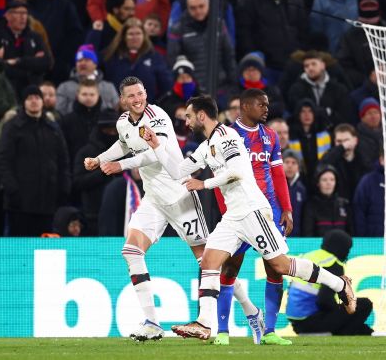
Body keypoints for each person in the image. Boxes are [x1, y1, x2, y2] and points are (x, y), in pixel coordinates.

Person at [140, 95, 356, 341]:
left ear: (201, 115)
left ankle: (340, 284)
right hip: (233, 215)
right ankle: (204, 323)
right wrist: (156, 145)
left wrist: (204, 183)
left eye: (189, 116)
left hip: (252, 210)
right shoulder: (205, 147)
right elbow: (177, 171)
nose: (186, 121)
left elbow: (238, 172)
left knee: (281, 266)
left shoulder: (228, 137)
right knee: (210, 262)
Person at [83, 76, 210, 341]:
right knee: (131, 251)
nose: (138, 99)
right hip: (153, 199)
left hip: (179, 196)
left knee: (209, 261)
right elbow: (124, 143)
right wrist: (100, 159)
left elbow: (155, 153)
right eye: (131, 96)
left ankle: (249, 309)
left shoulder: (158, 116)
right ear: (122, 100)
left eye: (140, 93)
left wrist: (120, 166)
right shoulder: (122, 123)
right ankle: (152, 322)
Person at [213, 89, 294, 346]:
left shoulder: (270, 136)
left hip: (268, 211)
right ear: (244, 106)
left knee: (275, 268)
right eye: (261, 104)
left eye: (267, 104)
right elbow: (218, 180)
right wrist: (227, 212)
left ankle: (269, 331)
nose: (266, 108)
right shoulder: (225, 136)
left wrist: (287, 209)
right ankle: (223, 332)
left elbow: (278, 175)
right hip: (238, 211)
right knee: (229, 267)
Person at [0, 85, 71, 236]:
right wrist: (12, 190)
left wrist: (64, 187)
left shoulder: (53, 128)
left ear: (42, 102)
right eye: (29, 98)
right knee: (19, 250)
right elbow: (4, 161)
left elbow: (63, 160)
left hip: (48, 202)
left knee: (45, 250)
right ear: (23, 102)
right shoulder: (12, 128)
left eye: (37, 98)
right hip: (19, 203)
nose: (34, 101)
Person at [287, 229, 373, 335]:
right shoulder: (332, 264)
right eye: (347, 249)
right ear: (341, 247)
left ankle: (353, 329)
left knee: (360, 326)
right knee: (364, 304)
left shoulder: (308, 257)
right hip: (313, 320)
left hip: (296, 324)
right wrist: (342, 313)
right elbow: (324, 300)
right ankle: (344, 332)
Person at [167, 0, 236, 90]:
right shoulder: (178, 29)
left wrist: (233, 82)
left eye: (201, 6)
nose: (198, 11)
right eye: (193, 8)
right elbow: (173, 58)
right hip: (193, 89)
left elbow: (228, 55)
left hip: (220, 86)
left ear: (208, 5)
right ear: (187, 8)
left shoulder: (219, 24)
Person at [73, 109, 120, 236]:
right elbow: (78, 182)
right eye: (107, 130)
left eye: (114, 130)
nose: (111, 133)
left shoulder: (126, 152)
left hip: (123, 214)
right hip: (93, 215)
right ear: (99, 129)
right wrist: (103, 172)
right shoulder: (86, 153)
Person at [102, 18, 172, 103]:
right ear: (124, 37)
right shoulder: (110, 56)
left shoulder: (155, 57)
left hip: (147, 110)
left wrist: (154, 104)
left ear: (144, 36)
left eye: (138, 33)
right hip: (116, 109)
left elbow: (166, 86)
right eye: (131, 34)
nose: (135, 37)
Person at [0, 0, 52, 95]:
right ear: (8, 16)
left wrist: (18, 61)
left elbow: (46, 62)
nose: (23, 17)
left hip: (32, 89)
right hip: (7, 90)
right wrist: (32, 63)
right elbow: (0, 66)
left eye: (25, 13)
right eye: (19, 13)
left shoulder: (35, 37)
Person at [287, 51, 355, 130]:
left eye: (313, 64)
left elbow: (344, 115)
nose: (310, 68)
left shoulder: (339, 89)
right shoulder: (296, 89)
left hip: (333, 131)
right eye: (306, 66)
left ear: (323, 65)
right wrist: (327, 112)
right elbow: (297, 114)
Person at [56, 44, 119, 116]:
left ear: (95, 64)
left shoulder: (108, 87)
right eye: (79, 61)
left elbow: (116, 109)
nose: (82, 63)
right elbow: (59, 112)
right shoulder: (64, 87)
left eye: (87, 60)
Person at [320, 123, 372, 201]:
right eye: (339, 141)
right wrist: (341, 148)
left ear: (355, 140)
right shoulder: (332, 157)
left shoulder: (363, 158)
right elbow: (323, 163)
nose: (344, 145)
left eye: (346, 141)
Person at [59, 79, 103, 166]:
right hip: (74, 166)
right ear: (77, 96)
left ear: (98, 95)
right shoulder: (67, 120)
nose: (88, 97)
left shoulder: (105, 120)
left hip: (101, 168)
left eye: (92, 94)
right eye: (84, 94)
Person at [302, 165, 353, 237]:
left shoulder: (344, 204)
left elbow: (351, 232)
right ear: (318, 183)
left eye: (332, 179)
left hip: (341, 247)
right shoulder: (310, 205)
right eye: (324, 180)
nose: (328, 183)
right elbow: (308, 234)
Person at [353, 149, 384, 237]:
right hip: (372, 238)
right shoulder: (368, 181)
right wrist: (362, 236)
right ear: (382, 160)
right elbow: (359, 209)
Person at [283, 150, 307, 238]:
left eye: (294, 163)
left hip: (297, 237)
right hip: (277, 236)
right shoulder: (273, 186)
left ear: (298, 167)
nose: (290, 166)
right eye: (287, 162)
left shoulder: (302, 189)